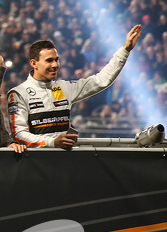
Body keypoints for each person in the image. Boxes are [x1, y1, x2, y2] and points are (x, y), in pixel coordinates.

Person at [8, 25, 142, 149]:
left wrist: (125, 50)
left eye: (56, 59)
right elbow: (19, 134)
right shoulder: (19, 93)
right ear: (34, 63)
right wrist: (52, 142)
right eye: (49, 60)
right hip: (35, 165)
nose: (55, 65)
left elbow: (100, 80)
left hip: (64, 163)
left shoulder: (61, 88)